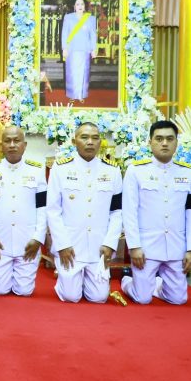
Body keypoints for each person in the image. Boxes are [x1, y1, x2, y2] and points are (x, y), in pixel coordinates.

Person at [120, 120, 191, 305]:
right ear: (150, 142)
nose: (164, 143)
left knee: (178, 299)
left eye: (169, 139)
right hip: (146, 247)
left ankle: (156, 285)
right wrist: (134, 246)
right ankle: (127, 282)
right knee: (142, 299)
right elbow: (129, 211)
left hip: (176, 247)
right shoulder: (136, 171)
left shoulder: (189, 173)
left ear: (176, 143)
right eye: (159, 139)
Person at [46, 122, 122, 304]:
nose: (90, 142)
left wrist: (110, 243)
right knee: (71, 296)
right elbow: (53, 210)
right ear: (74, 141)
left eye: (95, 138)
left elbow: (117, 211)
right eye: (84, 137)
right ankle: (65, 280)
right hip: (71, 246)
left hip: (98, 247)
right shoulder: (60, 169)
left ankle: (123, 282)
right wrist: (62, 245)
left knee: (99, 297)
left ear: (100, 142)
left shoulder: (112, 170)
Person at [0, 125, 48, 297]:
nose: (12, 145)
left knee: (24, 291)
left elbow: (43, 206)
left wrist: (38, 238)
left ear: (24, 145)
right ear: (1, 145)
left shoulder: (37, 170)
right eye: (7, 141)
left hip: (27, 241)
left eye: (16, 141)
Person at [60, 0, 97, 104]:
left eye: (82, 4)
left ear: (85, 6)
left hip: (85, 50)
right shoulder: (68, 18)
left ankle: (81, 95)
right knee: (71, 73)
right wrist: (64, 48)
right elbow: (64, 34)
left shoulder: (90, 19)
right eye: (77, 4)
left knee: (83, 73)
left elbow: (93, 35)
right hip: (71, 50)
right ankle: (72, 95)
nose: (80, 6)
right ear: (74, 6)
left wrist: (93, 49)